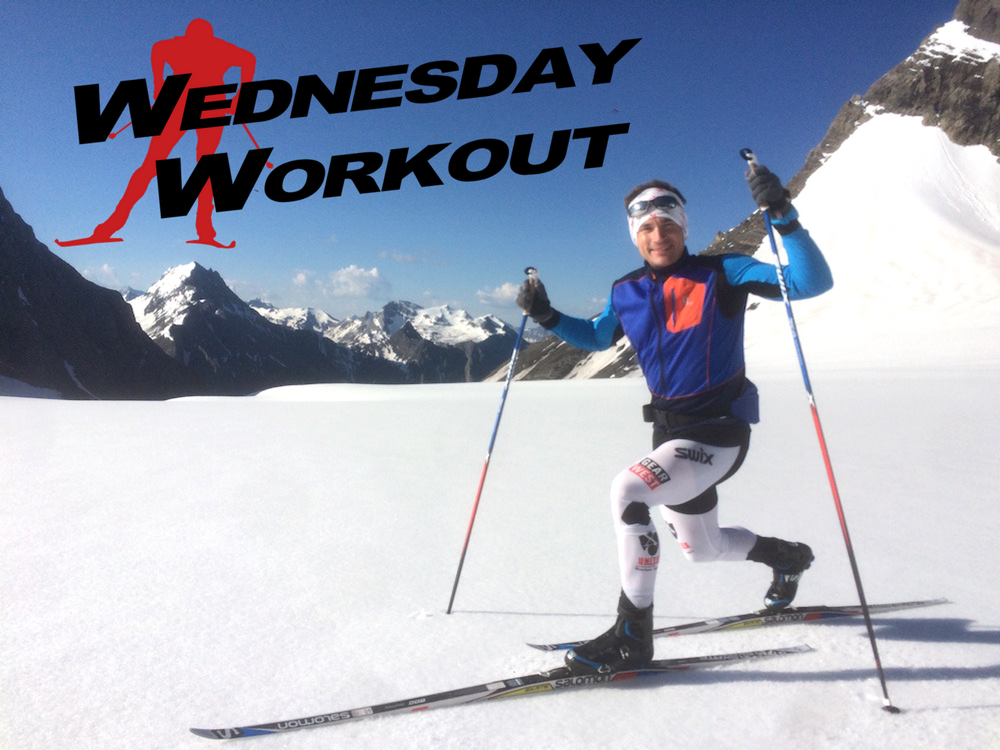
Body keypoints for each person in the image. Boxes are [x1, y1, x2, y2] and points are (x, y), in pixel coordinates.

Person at [517, 163, 833, 675]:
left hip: (718, 433)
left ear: (684, 227)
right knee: (702, 550)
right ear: (634, 236)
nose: (657, 234)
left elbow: (809, 282)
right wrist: (549, 316)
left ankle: (630, 634)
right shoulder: (626, 291)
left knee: (629, 491)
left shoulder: (723, 272)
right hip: (670, 436)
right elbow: (599, 337)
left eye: (667, 223)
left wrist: (782, 214)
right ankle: (787, 557)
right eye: (645, 227)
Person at [57, 19, 256, 248]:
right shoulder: (219, 47)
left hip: (186, 103)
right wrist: (242, 94)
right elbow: (248, 59)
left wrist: (158, 83)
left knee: (163, 165)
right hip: (202, 104)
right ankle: (203, 228)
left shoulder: (181, 45)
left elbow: (158, 49)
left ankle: (115, 224)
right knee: (198, 164)